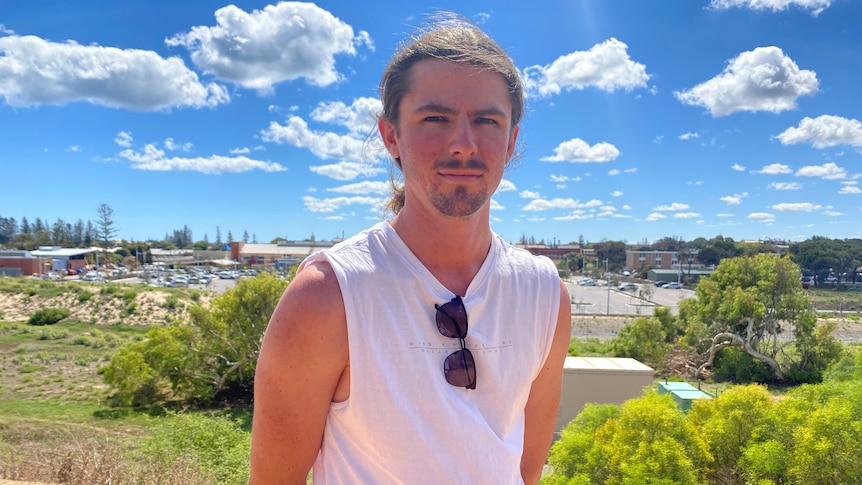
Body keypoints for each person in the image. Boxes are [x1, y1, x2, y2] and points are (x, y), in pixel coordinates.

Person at [249, 14, 571, 485]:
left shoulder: (545, 296)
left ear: (511, 142)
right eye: (435, 118)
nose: (463, 144)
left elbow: (525, 472)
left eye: (485, 120)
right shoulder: (328, 297)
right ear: (391, 136)